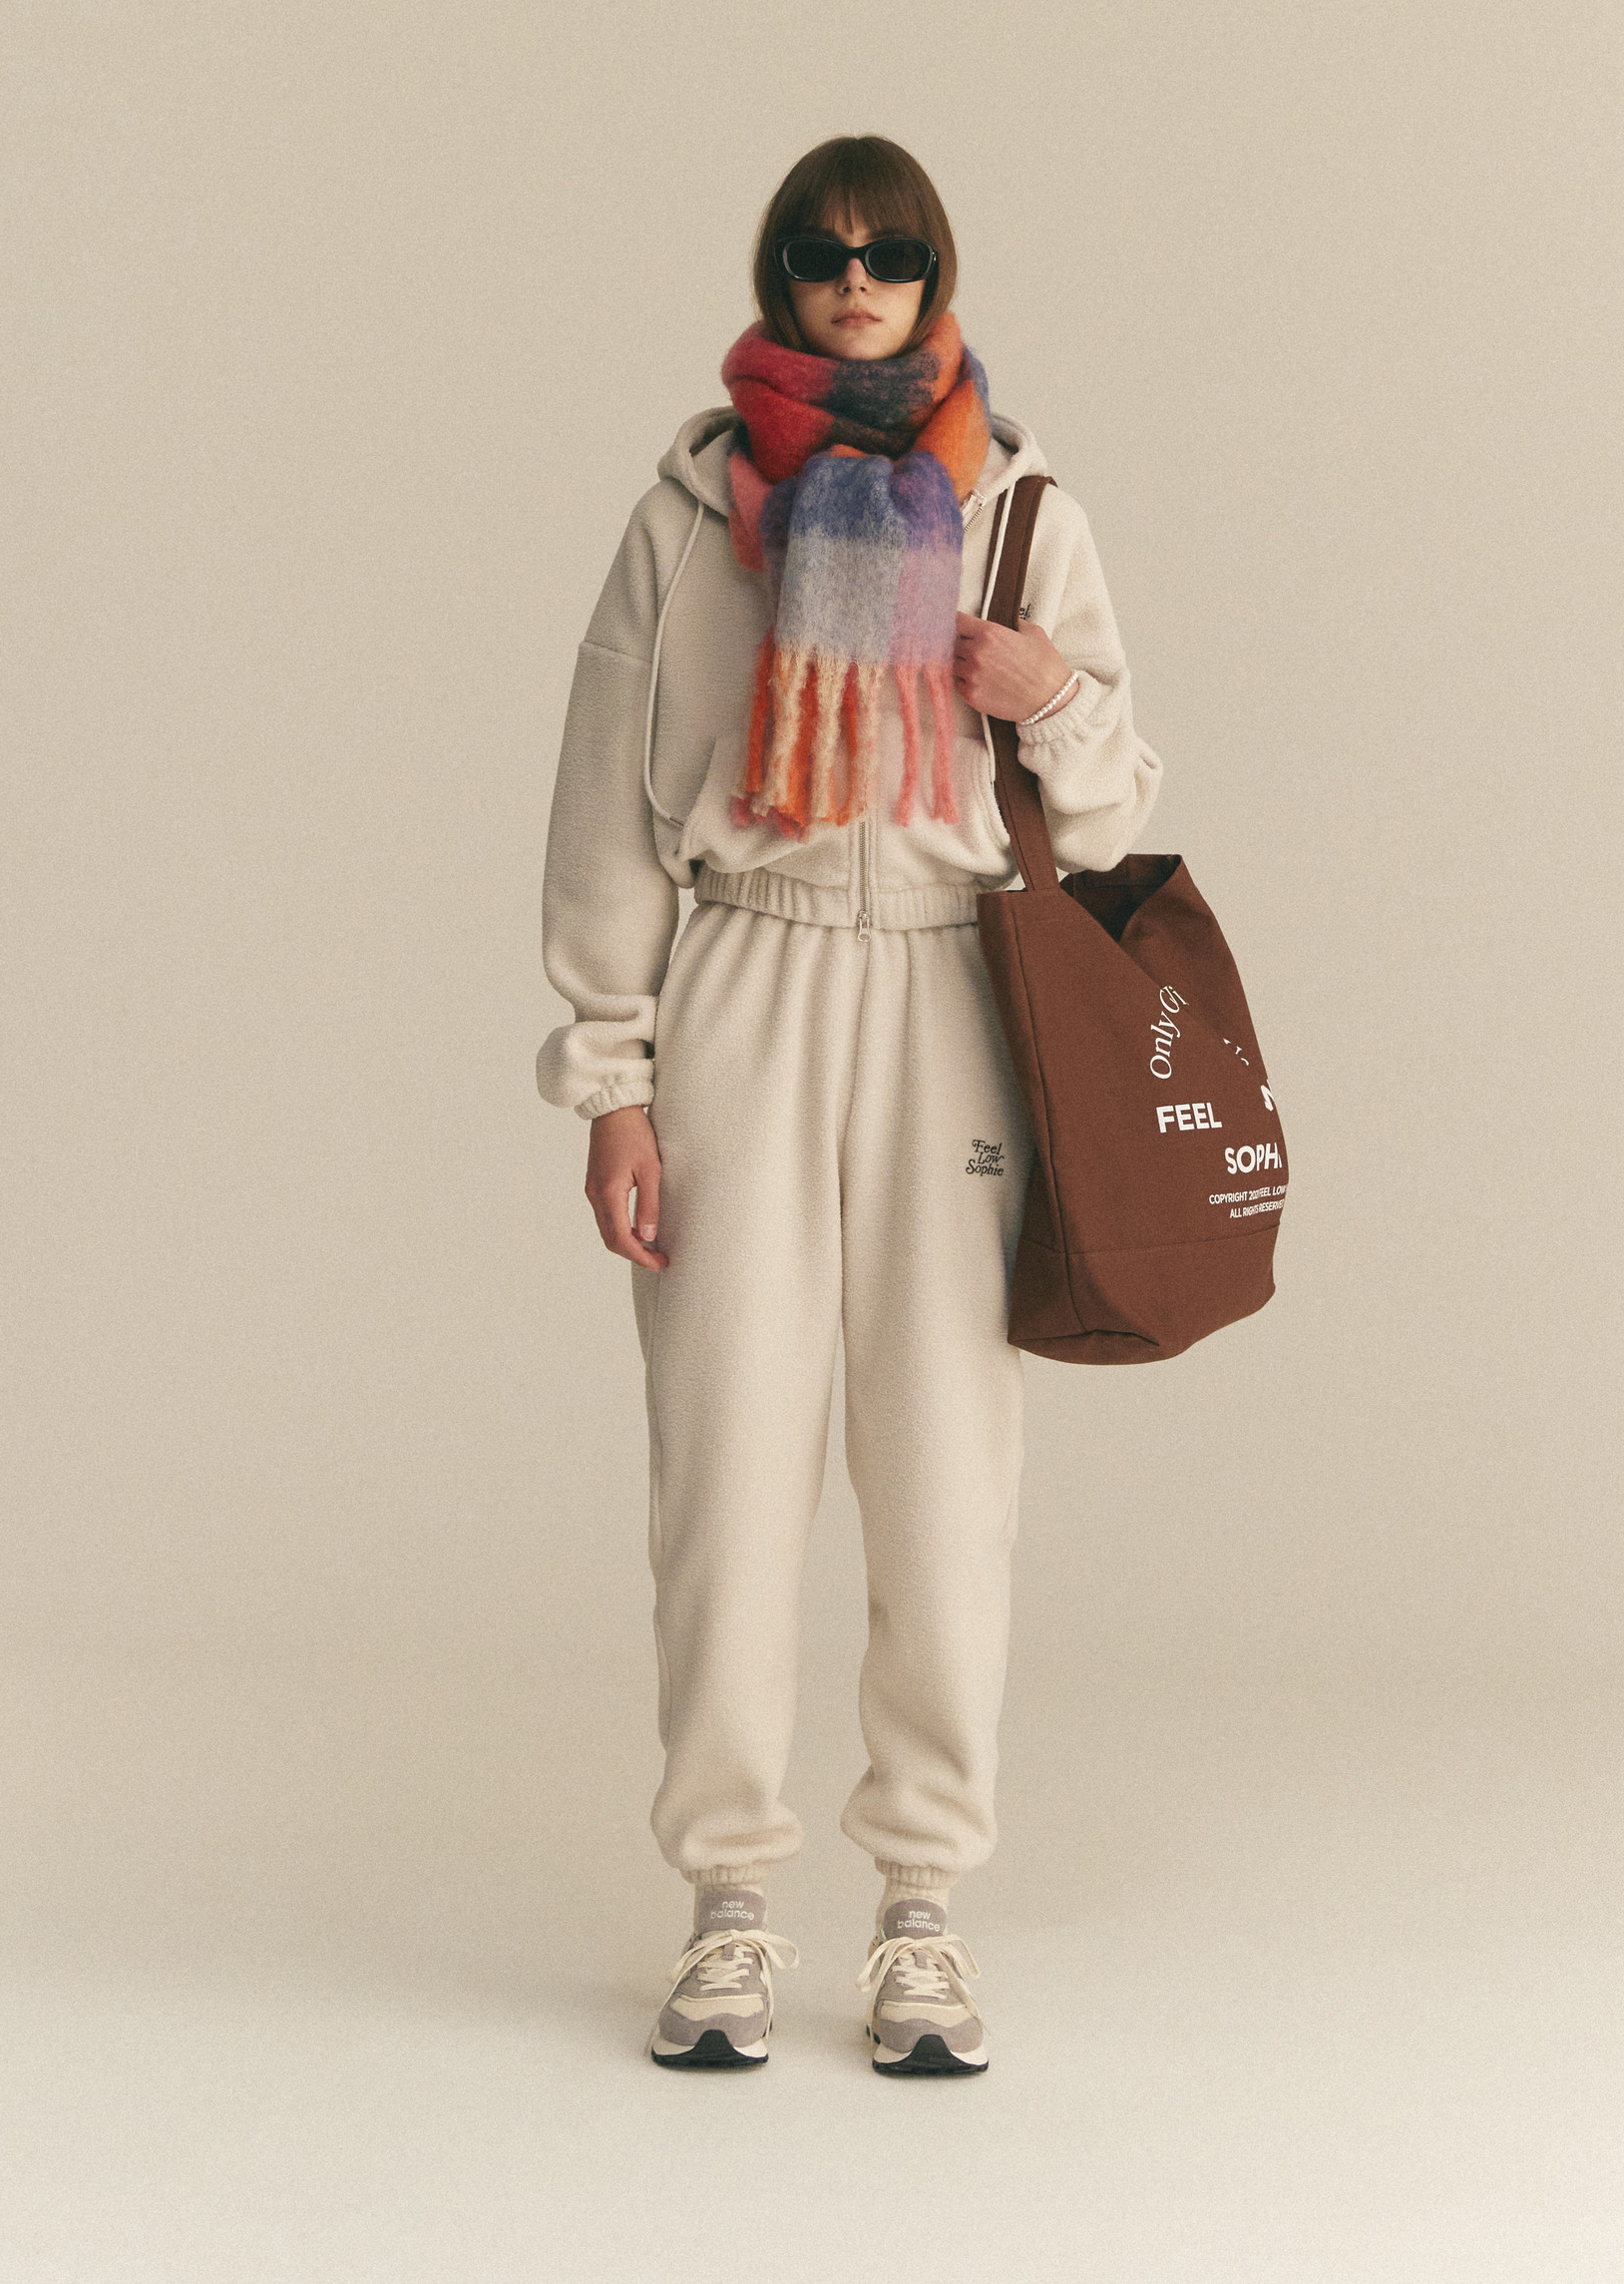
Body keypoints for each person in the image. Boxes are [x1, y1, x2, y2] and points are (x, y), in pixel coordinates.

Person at [538, 135, 1162, 2074]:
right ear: (782, 276)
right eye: (822, 251)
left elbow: (1117, 808)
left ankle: (919, 1908)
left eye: (891, 252)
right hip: (747, 965)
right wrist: (614, 1081)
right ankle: (729, 1900)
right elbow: (607, 805)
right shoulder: (692, 511)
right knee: (723, 1467)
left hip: (950, 993)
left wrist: (1047, 694)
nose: (857, 278)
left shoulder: (1019, 511)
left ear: (934, 273)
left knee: (948, 1475)